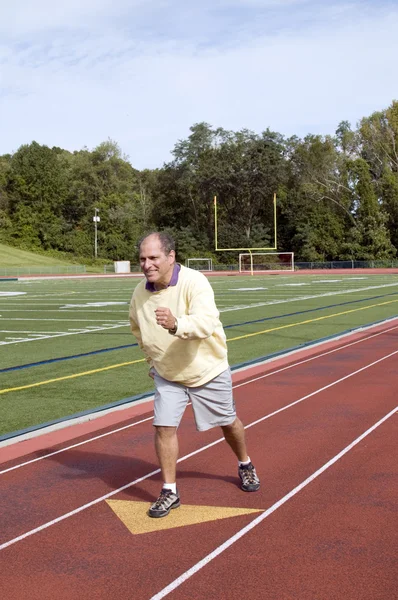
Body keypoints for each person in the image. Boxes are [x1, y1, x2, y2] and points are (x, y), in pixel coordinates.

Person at [129, 232, 260, 518]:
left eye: (153, 258)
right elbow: (136, 327)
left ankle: (245, 463)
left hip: (207, 370)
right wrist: (151, 359)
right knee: (163, 427)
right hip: (168, 374)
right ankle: (169, 490)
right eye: (142, 259)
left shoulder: (195, 282)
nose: (147, 264)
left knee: (228, 422)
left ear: (171, 256)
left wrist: (177, 324)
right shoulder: (140, 292)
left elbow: (206, 323)